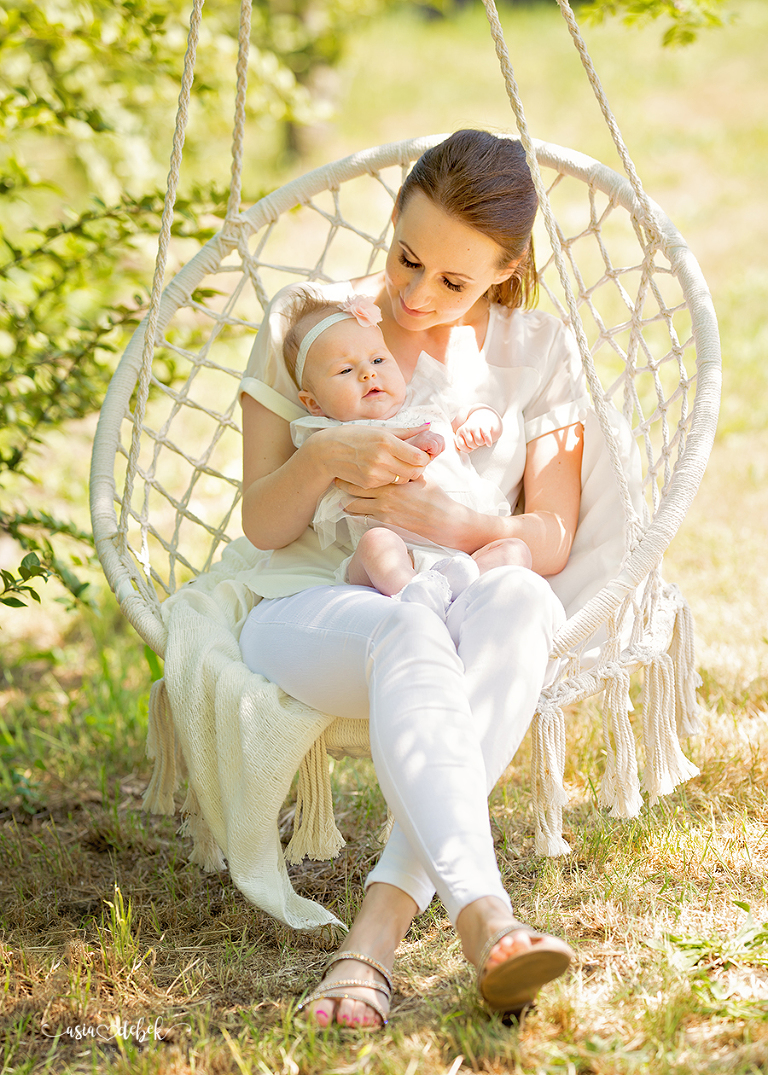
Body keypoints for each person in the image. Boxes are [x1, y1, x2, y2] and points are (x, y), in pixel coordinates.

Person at [238, 129, 588, 1027]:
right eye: (407, 257)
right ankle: (476, 913)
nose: (416, 292)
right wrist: (329, 463)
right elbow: (265, 524)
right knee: (406, 626)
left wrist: (468, 525)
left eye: (455, 281)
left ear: (505, 273)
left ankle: (386, 936)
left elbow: (550, 532)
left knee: (520, 595)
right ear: (392, 217)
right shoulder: (312, 326)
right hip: (312, 603)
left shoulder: (540, 347)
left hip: (463, 590)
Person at [280, 287, 533, 613]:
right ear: (313, 403)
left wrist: (481, 418)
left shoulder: (426, 398)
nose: (368, 373)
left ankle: (459, 594)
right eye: (345, 370)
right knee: (376, 546)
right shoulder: (331, 433)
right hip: (395, 553)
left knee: (515, 551)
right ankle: (413, 597)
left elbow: (460, 413)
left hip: (461, 551)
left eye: (378, 359)